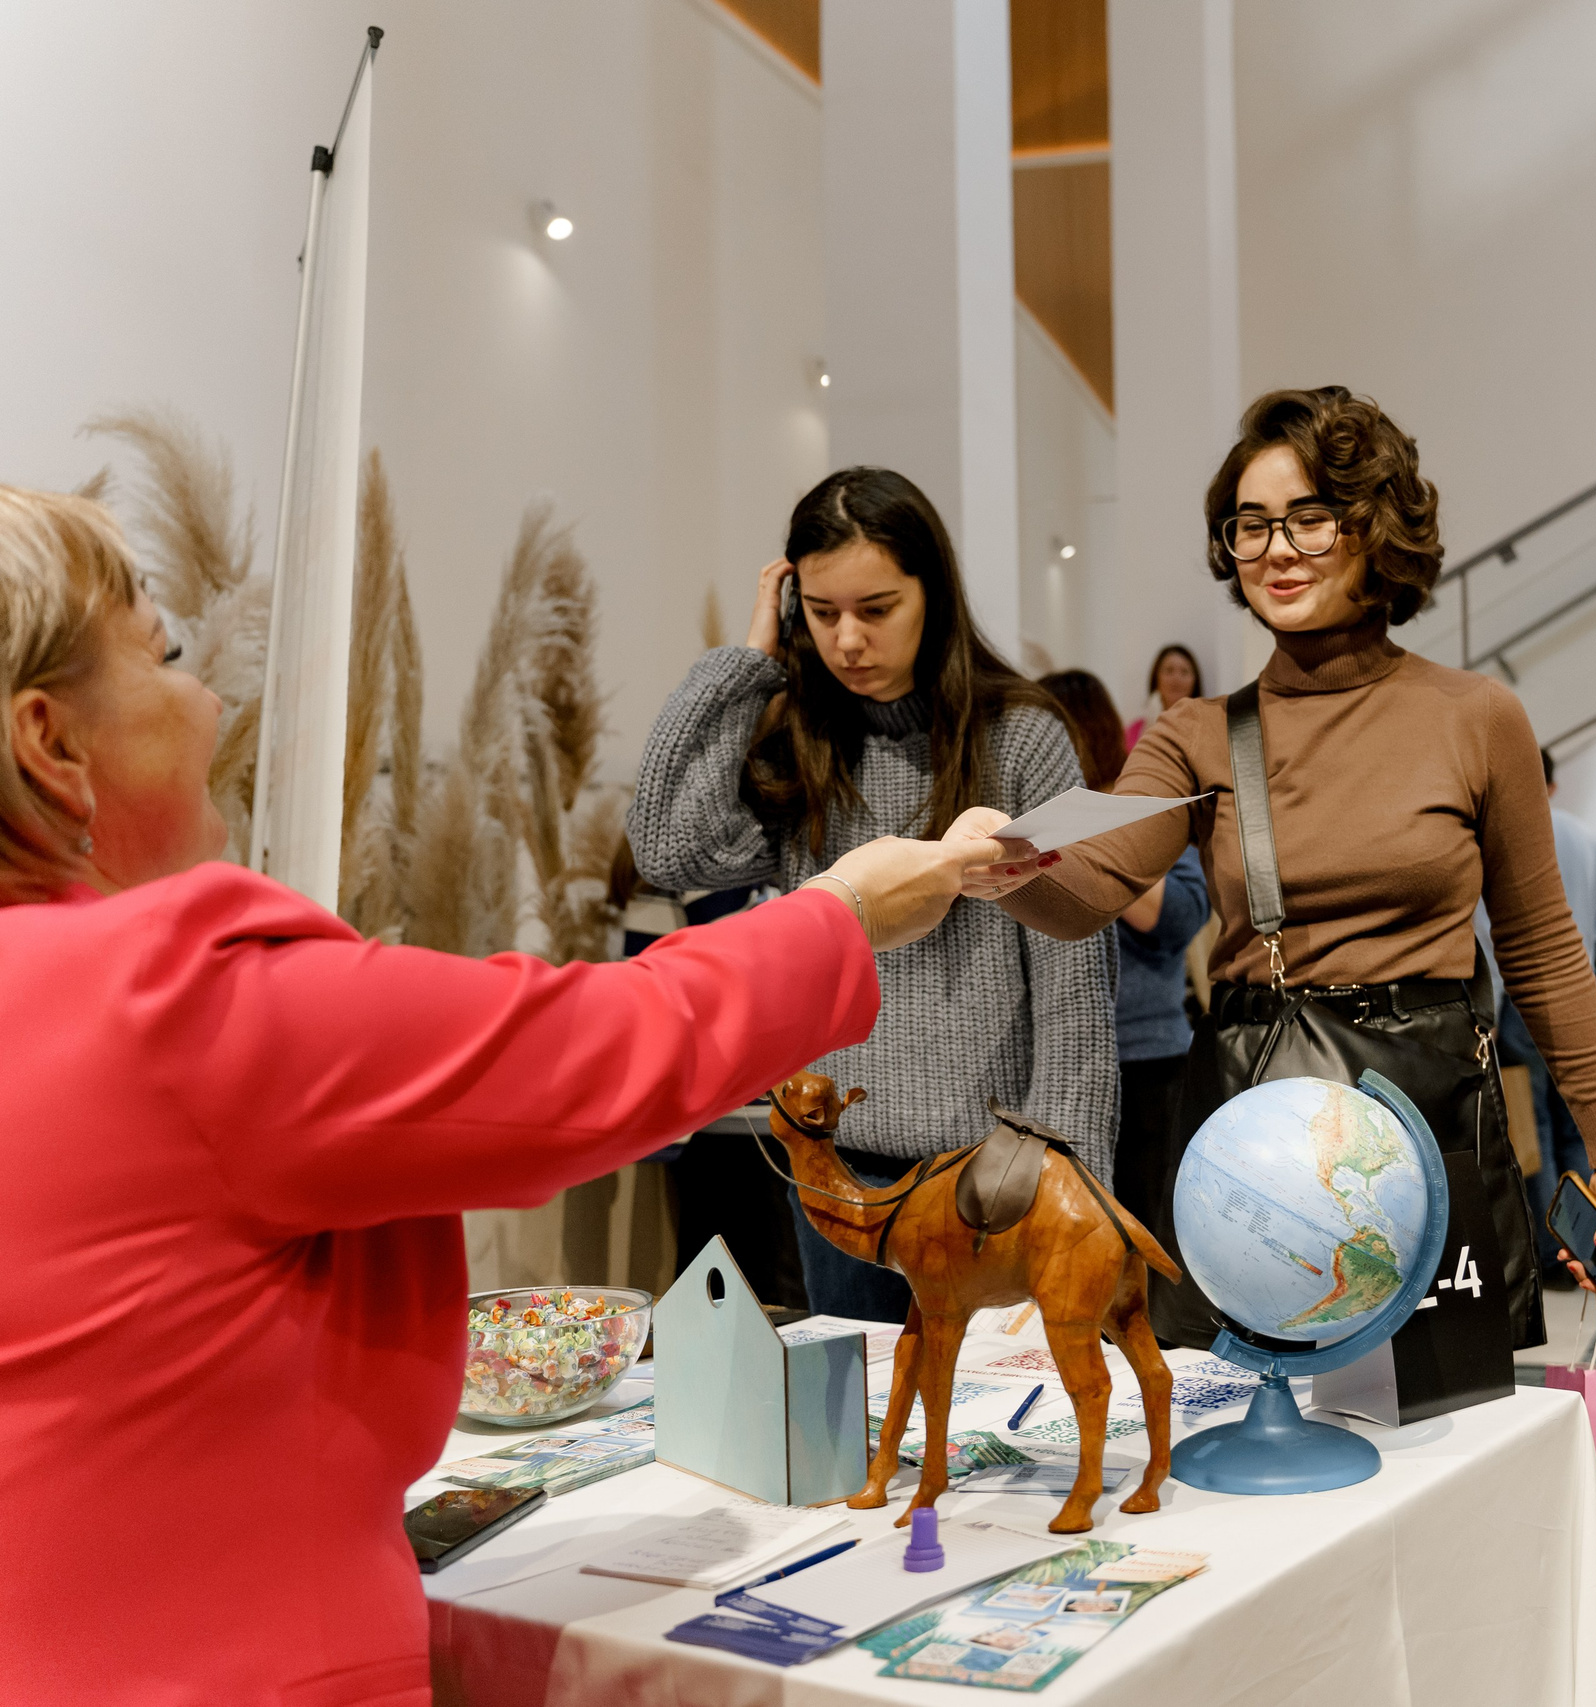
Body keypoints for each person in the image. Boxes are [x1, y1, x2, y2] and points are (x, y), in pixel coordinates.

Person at [0, 486, 997, 1704]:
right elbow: (597, 1047)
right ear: (49, 743)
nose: (210, 698)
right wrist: (839, 913)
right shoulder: (163, 996)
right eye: (161, 654)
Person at [967, 386, 1596, 1347]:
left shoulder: (1476, 718)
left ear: (1377, 526)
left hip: (1434, 1115)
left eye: (1309, 518)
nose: (1276, 549)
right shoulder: (1200, 735)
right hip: (1259, 1151)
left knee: (1437, 1445)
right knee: (1244, 1441)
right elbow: (1091, 884)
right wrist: (994, 859)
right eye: (1250, 526)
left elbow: (1540, 945)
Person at [627, 467, 1117, 1323]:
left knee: (993, 1442)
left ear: (934, 592)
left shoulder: (1023, 738)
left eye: (876, 608)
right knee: (867, 1444)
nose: (847, 639)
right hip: (837, 1186)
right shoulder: (804, 746)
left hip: (987, 1185)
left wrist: (1067, 1200)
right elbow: (669, 846)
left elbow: (1074, 998)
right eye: (821, 612)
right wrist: (748, 663)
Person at [1040, 667, 1214, 1258]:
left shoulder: (1144, 811)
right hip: (1055, 1066)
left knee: (1147, 1247)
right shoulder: (1026, 825)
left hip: (1149, 1063)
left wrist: (1087, 837)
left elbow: (1179, 918)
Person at [1494, 746, 1596, 1284]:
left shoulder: (1504, 834)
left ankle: (1548, 1251)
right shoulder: (1587, 836)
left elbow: (1488, 925)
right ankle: (1588, 1244)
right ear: (1552, 784)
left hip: (1520, 999)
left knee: (1534, 1122)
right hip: (1582, 995)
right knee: (1579, 1126)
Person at [1127, 642, 1201, 749]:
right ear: (1156, 678)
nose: (1176, 678)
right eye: (1169, 671)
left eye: (1184, 672)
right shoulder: (1135, 731)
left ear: (1195, 681)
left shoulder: (1205, 729)